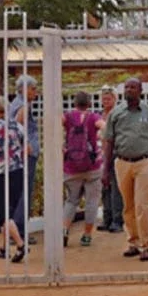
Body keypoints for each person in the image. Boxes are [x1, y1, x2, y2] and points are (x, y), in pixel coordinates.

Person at [102, 77, 148, 262]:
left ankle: (146, 246)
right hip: (122, 163)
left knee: (143, 205)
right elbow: (109, 142)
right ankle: (133, 242)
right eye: (127, 87)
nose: (129, 90)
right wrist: (105, 170)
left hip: (145, 163)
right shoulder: (116, 114)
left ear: (141, 90)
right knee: (128, 206)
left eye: (133, 87)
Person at [0, 95, 28, 263]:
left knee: (4, 214)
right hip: (17, 171)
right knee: (8, 210)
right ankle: (4, 248)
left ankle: (20, 245)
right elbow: (27, 149)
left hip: (0, 173)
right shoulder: (18, 127)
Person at [61, 91, 104, 247]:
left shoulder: (67, 117)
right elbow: (104, 128)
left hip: (70, 167)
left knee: (71, 200)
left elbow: (53, 125)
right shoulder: (94, 117)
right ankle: (86, 235)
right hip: (92, 166)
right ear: (89, 103)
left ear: (74, 103)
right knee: (92, 202)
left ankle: (64, 229)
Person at [8, 74, 39, 245]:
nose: (36, 92)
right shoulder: (23, 106)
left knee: (20, 191)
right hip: (25, 155)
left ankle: (16, 230)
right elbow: (17, 127)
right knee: (24, 192)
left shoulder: (16, 104)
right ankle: (19, 231)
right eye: (33, 88)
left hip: (19, 155)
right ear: (22, 89)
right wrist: (25, 145)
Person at [96, 85, 124, 233]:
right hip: (100, 155)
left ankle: (117, 219)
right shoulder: (100, 115)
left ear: (115, 99)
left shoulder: (118, 114)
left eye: (109, 98)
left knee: (115, 188)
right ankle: (106, 219)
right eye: (104, 98)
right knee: (104, 187)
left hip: (114, 154)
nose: (105, 101)